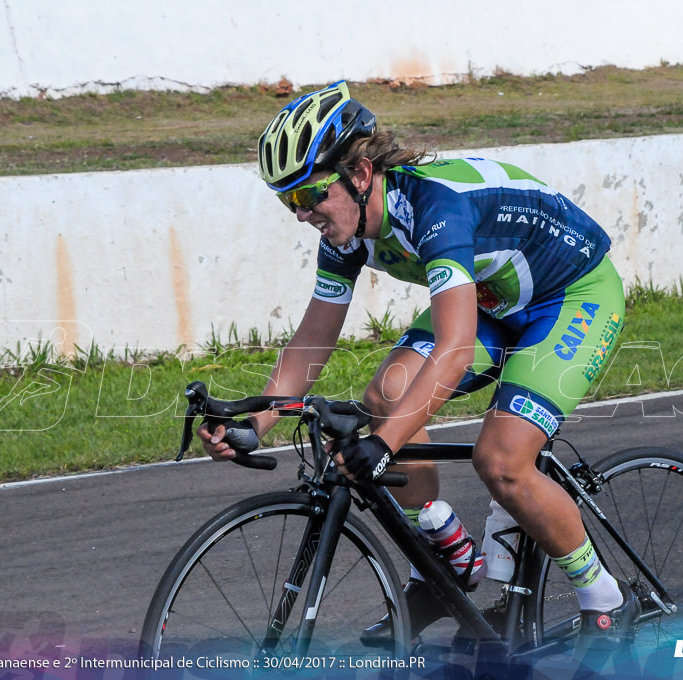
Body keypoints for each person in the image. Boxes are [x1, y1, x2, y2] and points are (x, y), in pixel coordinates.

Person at [198, 80, 637, 645]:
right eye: (290, 202)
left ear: (359, 175)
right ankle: (442, 557)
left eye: (309, 196)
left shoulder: (437, 209)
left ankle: (604, 596)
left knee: (501, 460)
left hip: (572, 295)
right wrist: (252, 424)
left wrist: (382, 445)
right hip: (495, 298)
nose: (303, 215)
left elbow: (453, 352)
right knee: (388, 395)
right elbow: (311, 341)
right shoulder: (345, 228)